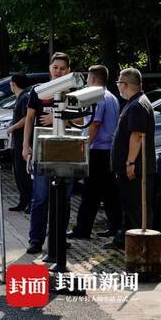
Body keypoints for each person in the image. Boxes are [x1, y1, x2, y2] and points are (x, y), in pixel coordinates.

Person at [22, 52, 74, 254]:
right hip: (42, 150)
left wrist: (59, 119)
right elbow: (29, 119)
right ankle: (36, 240)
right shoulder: (38, 91)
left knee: (64, 198)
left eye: (62, 68)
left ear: (68, 70)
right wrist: (26, 146)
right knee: (41, 197)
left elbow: (80, 121)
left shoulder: (74, 92)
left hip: (67, 152)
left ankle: (59, 237)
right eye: (55, 67)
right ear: (50, 68)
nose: (58, 71)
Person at [67, 65, 121, 240]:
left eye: (88, 79)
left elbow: (94, 124)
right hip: (108, 151)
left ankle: (82, 230)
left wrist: (85, 147)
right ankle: (116, 227)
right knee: (109, 192)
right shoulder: (111, 96)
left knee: (90, 193)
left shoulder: (97, 97)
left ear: (92, 79)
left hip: (97, 151)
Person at [105, 68, 157, 250]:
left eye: (119, 83)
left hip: (137, 167)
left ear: (125, 84)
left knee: (135, 206)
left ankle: (138, 244)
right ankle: (126, 239)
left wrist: (130, 162)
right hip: (134, 166)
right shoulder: (136, 102)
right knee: (129, 204)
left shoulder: (137, 105)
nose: (118, 86)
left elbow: (136, 136)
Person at [6, 73, 32, 213]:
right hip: (17, 141)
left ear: (14, 84)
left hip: (22, 142)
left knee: (24, 174)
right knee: (18, 174)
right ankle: (23, 201)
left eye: (10, 83)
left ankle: (29, 202)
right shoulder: (21, 97)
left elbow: (27, 117)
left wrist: (13, 127)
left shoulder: (25, 97)